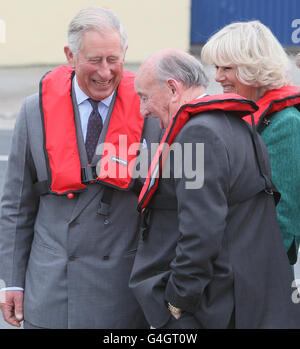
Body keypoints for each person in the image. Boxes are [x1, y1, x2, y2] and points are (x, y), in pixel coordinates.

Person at [0, 7, 161, 329]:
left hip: (123, 292)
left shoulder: (151, 112)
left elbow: (172, 204)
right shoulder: (34, 112)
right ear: (70, 56)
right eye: (94, 60)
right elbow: (16, 206)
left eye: (113, 60)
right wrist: (13, 281)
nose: (105, 72)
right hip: (51, 292)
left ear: (125, 54)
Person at [129, 48, 300, 329]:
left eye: (145, 97)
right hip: (245, 298)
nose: (143, 110)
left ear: (173, 88)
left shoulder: (198, 134)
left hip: (211, 309)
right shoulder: (236, 123)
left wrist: (177, 299)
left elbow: (201, 231)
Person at [201, 20, 300, 265]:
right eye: (216, 67)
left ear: (253, 68)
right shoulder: (248, 113)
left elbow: (282, 219)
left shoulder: (286, 123)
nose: (217, 77)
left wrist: (246, 275)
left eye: (227, 68)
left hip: (255, 272)